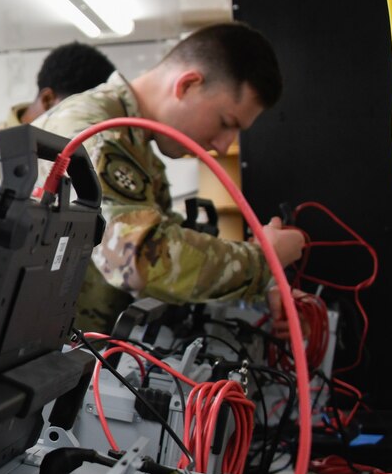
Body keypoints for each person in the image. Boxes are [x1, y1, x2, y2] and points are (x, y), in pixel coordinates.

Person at [32, 22, 307, 333]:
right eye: (225, 122)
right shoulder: (94, 130)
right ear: (188, 84)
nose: (221, 144)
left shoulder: (136, 144)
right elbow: (138, 261)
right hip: (45, 365)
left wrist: (261, 287)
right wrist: (262, 262)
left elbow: (172, 241)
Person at [0, 42, 115, 284]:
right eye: (76, 112)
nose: (83, 124)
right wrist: (10, 265)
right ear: (48, 99)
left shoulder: (79, 153)